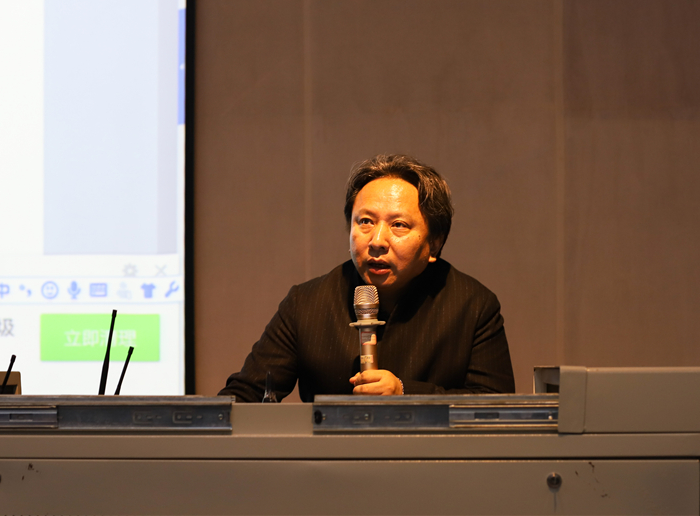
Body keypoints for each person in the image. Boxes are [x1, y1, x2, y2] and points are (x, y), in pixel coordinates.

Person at [218, 154, 514, 402]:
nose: (377, 241)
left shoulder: (474, 306)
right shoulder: (306, 303)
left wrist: (405, 392)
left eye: (399, 225)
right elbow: (246, 394)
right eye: (365, 221)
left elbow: (495, 405)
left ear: (434, 243)